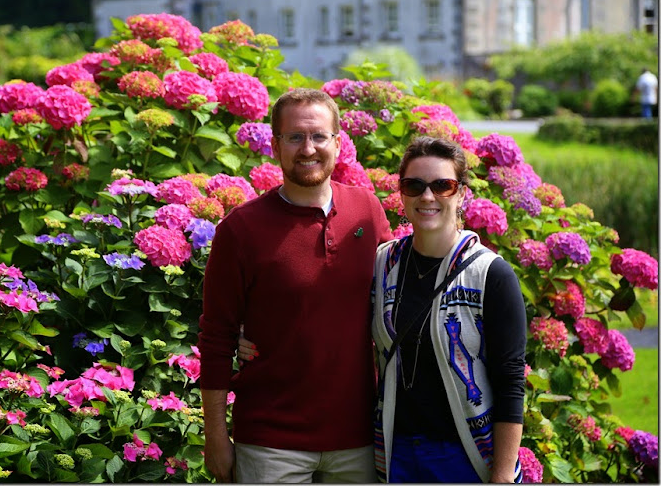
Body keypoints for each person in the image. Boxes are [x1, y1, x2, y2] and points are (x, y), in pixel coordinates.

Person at [198, 88, 392, 483]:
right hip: (270, 444)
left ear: (338, 143)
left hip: (358, 438)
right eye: (295, 137)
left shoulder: (367, 211)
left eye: (319, 136)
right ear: (275, 146)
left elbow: (396, 293)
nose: (308, 148)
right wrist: (215, 436)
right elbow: (216, 337)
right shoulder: (241, 229)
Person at [371, 136, 526, 483]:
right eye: (415, 186)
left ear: (461, 194)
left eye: (442, 185)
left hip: (466, 457)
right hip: (396, 453)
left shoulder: (490, 274)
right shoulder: (384, 264)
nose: (427, 196)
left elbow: (511, 380)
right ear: (402, 194)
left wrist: (503, 474)